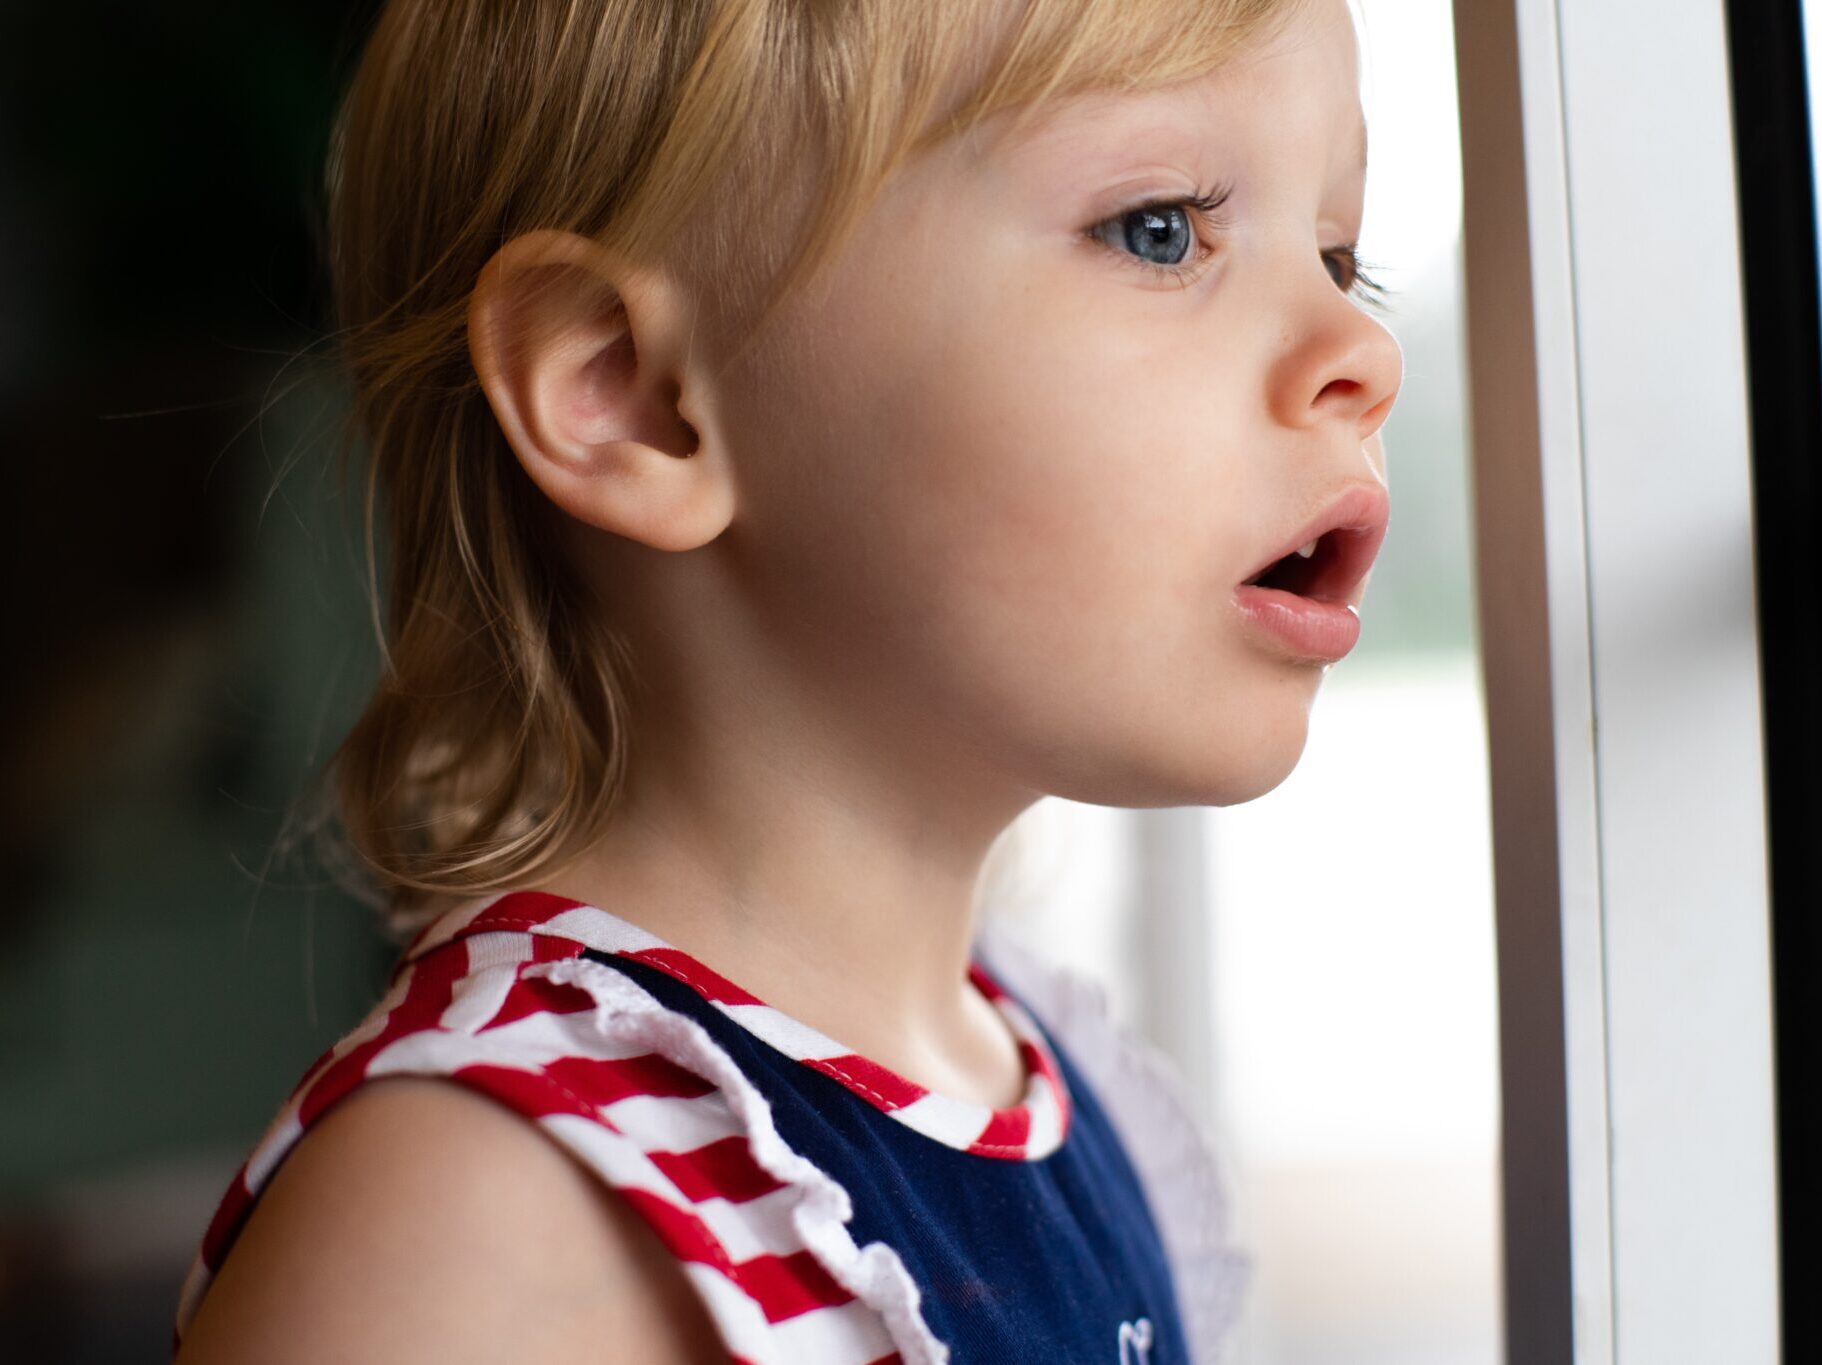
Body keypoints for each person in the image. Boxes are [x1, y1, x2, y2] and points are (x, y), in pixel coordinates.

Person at [170, 0, 1400, 1359]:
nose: (1363, 354)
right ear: (636, 392)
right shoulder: (487, 1223)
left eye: (1343, 258)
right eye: (1158, 227)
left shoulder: (1059, 1085)